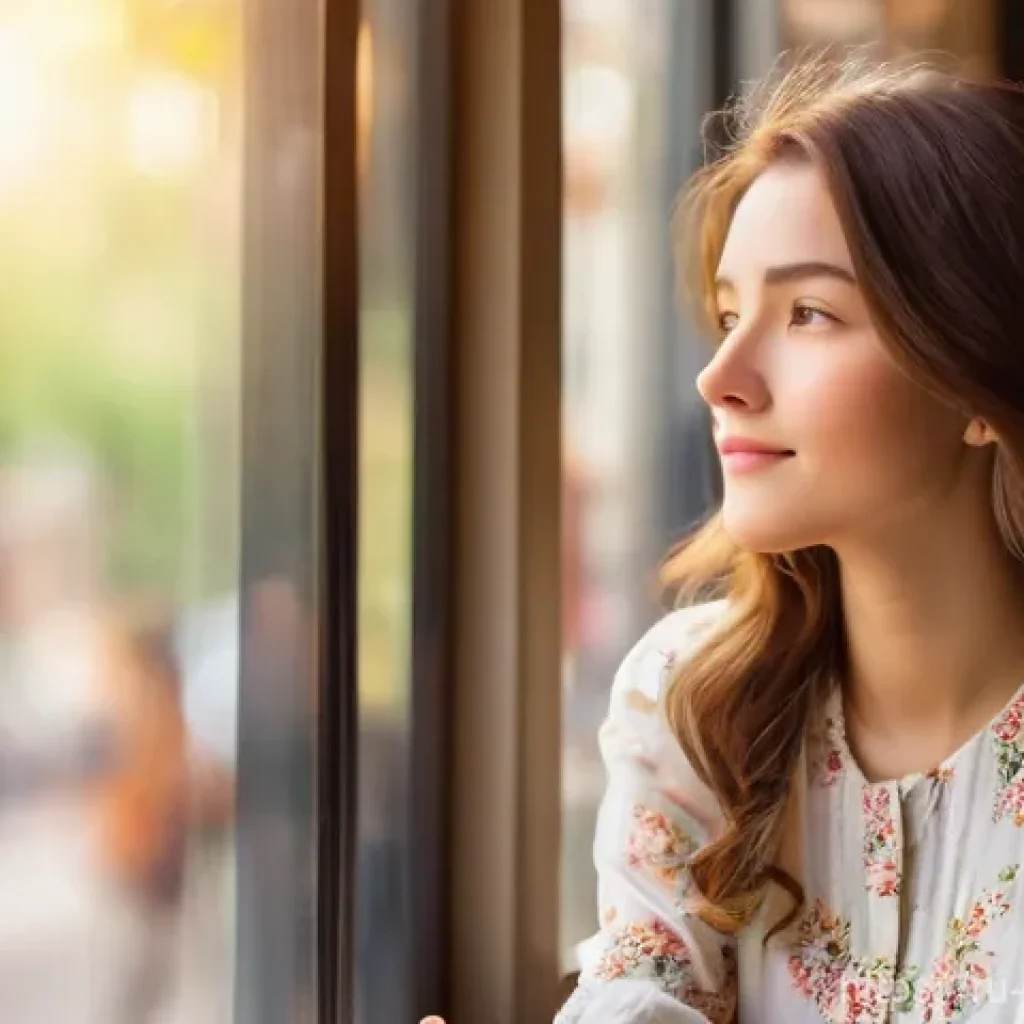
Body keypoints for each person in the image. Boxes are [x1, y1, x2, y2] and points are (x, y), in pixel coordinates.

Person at [427, 49, 1024, 1023]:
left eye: (809, 313)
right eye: (728, 313)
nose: (720, 376)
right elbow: (637, 999)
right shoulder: (695, 709)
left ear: (972, 378)